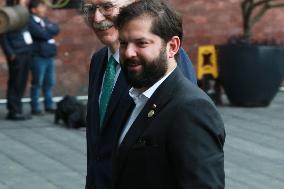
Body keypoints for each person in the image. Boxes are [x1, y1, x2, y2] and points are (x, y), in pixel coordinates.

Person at [82, 0, 197, 188]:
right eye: (89, 9)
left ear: (135, 5)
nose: (96, 17)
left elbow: (185, 155)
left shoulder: (163, 61)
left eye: (107, 7)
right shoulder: (99, 60)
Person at [112, 0, 225, 189]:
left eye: (142, 43)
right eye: (124, 43)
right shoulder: (134, 96)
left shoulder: (192, 109)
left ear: (172, 46)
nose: (128, 52)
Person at [0, 0, 33, 120]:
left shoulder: (23, 12)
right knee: (16, 82)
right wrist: (10, 54)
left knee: (22, 82)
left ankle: (18, 109)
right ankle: (13, 111)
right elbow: (2, 36)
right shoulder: (6, 13)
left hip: (25, 51)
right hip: (16, 54)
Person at [28, 0, 59, 115]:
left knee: (49, 82)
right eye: (41, 7)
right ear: (33, 9)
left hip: (49, 56)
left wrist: (47, 28)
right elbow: (42, 34)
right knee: (37, 83)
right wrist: (48, 29)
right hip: (38, 57)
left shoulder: (44, 20)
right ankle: (35, 107)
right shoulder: (30, 22)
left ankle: (48, 105)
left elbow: (56, 28)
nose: (44, 9)